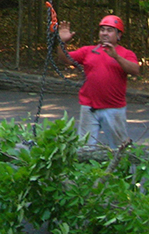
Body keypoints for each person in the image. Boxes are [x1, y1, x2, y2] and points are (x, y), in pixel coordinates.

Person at [56, 15, 140, 148]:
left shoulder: (125, 53)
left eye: (109, 30)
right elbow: (65, 59)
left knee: (120, 148)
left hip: (114, 108)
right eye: (102, 30)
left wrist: (116, 57)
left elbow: (135, 70)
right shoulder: (88, 51)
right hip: (89, 107)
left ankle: (122, 169)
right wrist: (62, 42)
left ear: (119, 35)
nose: (105, 33)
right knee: (84, 146)